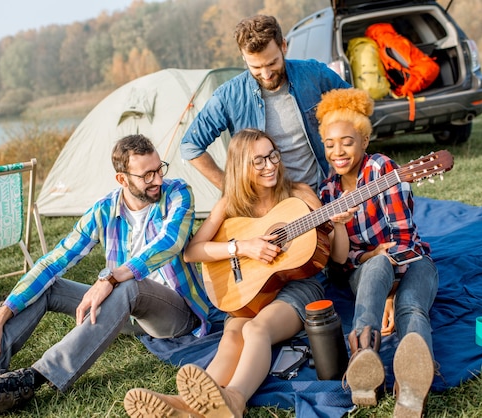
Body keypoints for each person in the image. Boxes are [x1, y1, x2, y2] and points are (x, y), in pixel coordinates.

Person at [0, 134, 216, 417]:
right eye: (147, 174)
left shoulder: (178, 193)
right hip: (126, 312)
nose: (157, 179)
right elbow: (53, 261)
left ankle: (30, 380)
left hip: (174, 315)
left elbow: (169, 243)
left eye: (159, 168)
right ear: (122, 178)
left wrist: (108, 279)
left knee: (127, 284)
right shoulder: (104, 210)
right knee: (50, 286)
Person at [123, 128, 355, 418]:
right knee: (232, 335)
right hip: (250, 289)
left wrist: (341, 224)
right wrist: (242, 247)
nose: (270, 165)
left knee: (256, 330)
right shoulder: (230, 203)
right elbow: (193, 251)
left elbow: (339, 255)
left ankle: (234, 399)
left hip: (299, 287)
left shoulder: (300, 194)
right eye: (258, 160)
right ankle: (187, 405)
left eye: (272, 155)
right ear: (241, 165)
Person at [316, 88, 438, 417]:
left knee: (411, 308)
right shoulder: (327, 191)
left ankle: (412, 388)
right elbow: (340, 262)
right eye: (329, 144)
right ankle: (363, 363)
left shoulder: (384, 171)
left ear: (364, 141)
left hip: (413, 263)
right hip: (367, 273)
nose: (337, 151)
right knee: (376, 263)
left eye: (347, 141)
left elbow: (403, 240)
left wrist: (390, 294)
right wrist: (364, 253)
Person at [180, 14, 350, 193]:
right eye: (256, 68)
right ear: (244, 58)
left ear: (283, 46)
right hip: (270, 208)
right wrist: (232, 191)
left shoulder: (313, 74)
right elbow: (190, 146)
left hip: (323, 191)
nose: (266, 74)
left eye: (272, 63)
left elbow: (356, 105)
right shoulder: (228, 96)